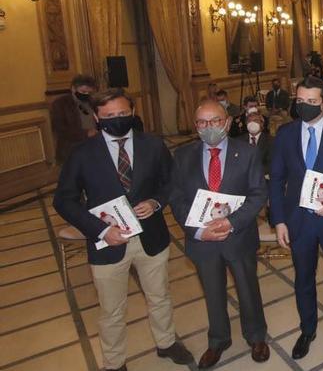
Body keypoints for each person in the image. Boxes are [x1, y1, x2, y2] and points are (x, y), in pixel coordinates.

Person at [54, 89, 193, 371]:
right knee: (111, 310)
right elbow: (64, 200)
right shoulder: (82, 154)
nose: (117, 120)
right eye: (109, 116)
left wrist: (156, 202)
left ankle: (167, 342)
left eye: (122, 114)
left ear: (132, 113)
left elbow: (172, 183)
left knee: (160, 296)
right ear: (96, 117)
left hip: (151, 237)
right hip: (109, 243)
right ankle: (114, 362)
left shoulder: (153, 145)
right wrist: (101, 231)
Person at [168, 100, 269, 368]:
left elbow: (259, 194)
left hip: (238, 236)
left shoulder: (247, 153)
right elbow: (176, 198)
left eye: (214, 121)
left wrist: (232, 222)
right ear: (196, 126)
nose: (208, 127)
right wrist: (197, 231)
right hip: (202, 241)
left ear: (226, 122)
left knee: (248, 289)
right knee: (212, 292)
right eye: (202, 122)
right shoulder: (182, 155)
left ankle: (256, 335)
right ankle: (218, 340)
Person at [269, 76, 323, 360]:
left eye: (312, 102)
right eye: (300, 101)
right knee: (304, 278)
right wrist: (279, 220)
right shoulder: (285, 134)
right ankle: (307, 329)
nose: (305, 107)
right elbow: (277, 179)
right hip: (298, 221)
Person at [50, 74, 98, 163]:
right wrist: (86, 133)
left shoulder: (93, 102)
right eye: (83, 92)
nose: (86, 95)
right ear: (73, 89)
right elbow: (60, 129)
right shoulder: (60, 104)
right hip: (71, 150)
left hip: (93, 147)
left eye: (89, 93)